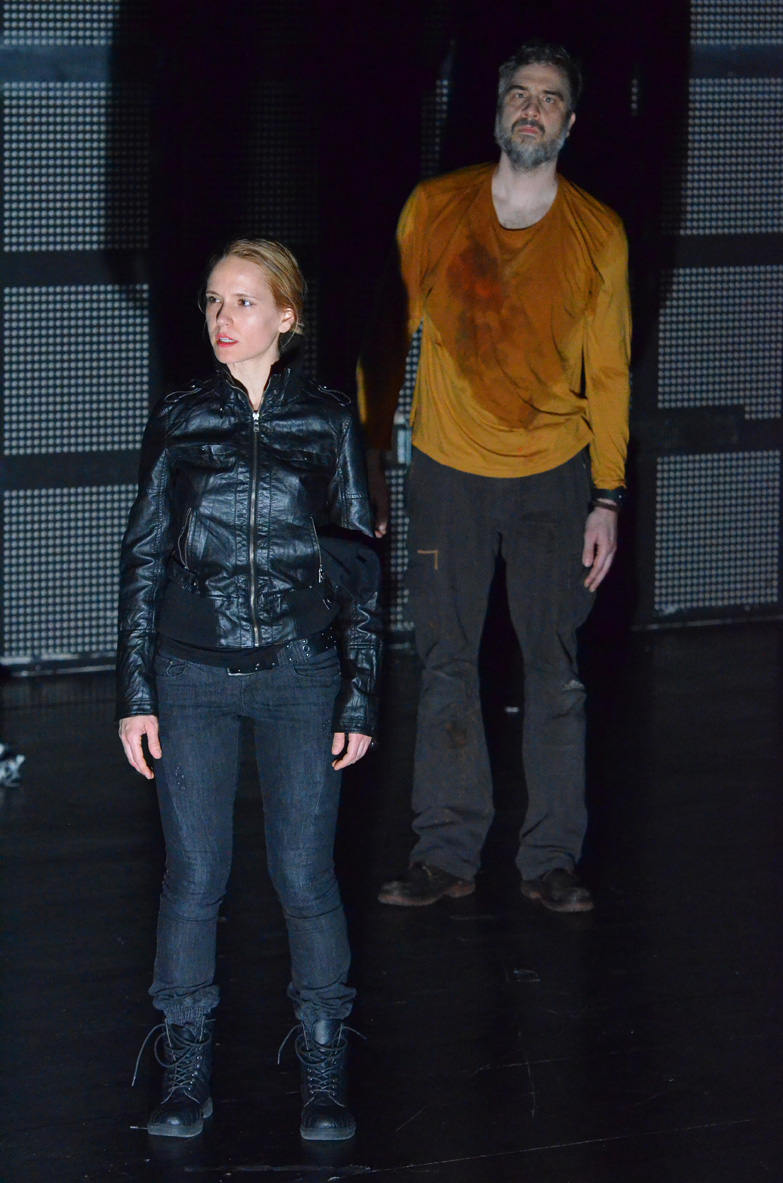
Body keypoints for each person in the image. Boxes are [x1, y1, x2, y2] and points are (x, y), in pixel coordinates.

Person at [117, 239, 381, 1141]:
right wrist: (135, 690)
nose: (222, 319)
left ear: (286, 316)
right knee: (193, 877)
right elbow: (144, 554)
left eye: (242, 301)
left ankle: (323, 1066)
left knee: (304, 876)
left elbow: (362, 563)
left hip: (300, 672)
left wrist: (359, 692)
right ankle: (185, 1067)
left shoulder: (327, 420)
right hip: (191, 671)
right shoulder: (180, 416)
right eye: (212, 301)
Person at [357, 41, 630, 914]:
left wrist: (607, 495)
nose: (530, 107)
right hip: (447, 472)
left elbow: (609, 371)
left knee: (554, 666)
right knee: (445, 660)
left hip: (554, 474)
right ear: (498, 109)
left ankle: (550, 857)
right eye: (518, 92)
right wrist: (370, 455)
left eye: (548, 97)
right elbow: (387, 331)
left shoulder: (596, 233)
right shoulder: (435, 208)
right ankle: (444, 853)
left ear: (568, 122)